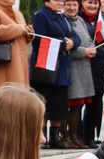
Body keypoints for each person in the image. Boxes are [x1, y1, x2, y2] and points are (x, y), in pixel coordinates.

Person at [31, 0, 81, 149]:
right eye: (57, 0)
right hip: (46, 65)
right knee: (43, 103)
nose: (60, 3)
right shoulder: (41, 16)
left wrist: (73, 42)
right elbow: (39, 40)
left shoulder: (62, 17)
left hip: (62, 67)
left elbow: (75, 36)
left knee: (59, 103)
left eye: (62, 1)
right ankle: (42, 135)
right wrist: (63, 43)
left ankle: (55, 136)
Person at [0, 0, 32, 101]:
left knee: (17, 110)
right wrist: (19, 29)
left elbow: (19, 38)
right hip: (0, 71)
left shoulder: (18, 13)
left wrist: (28, 34)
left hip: (18, 69)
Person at [79, 0, 104, 148]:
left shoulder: (103, 19)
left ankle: (91, 136)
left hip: (98, 66)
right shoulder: (77, 18)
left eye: (94, 3)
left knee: (96, 103)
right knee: (78, 104)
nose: (92, 6)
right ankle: (78, 136)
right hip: (81, 65)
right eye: (89, 2)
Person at [65, 0, 96, 149]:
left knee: (78, 106)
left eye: (74, 5)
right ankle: (66, 137)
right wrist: (84, 52)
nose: (71, 8)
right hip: (71, 68)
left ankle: (75, 136)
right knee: (68, 105)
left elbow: (88, 39)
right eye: (68, 5)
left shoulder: (81, 21)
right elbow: (66, 46)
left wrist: (92, 47)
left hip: (84, 69)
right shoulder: (64, 21)